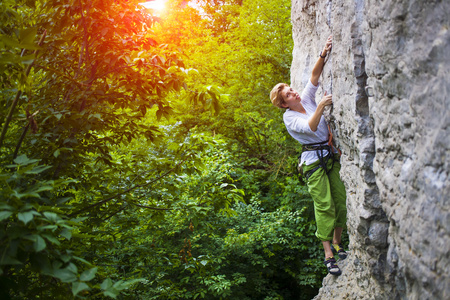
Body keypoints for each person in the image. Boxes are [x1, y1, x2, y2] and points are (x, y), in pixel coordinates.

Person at [269, 35, 348, 276]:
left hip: (329, 154)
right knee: (324, 205)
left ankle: (337, 242)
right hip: (313, 162)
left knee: (340, 201)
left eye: (291, 89)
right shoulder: (290, 119)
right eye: (289, 94)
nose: (294, 93)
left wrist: (323, 54)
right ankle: (328, 255)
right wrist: (322, 105)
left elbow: (314, 77)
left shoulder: (304, 98)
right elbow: (312, 126)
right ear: (284, 104)